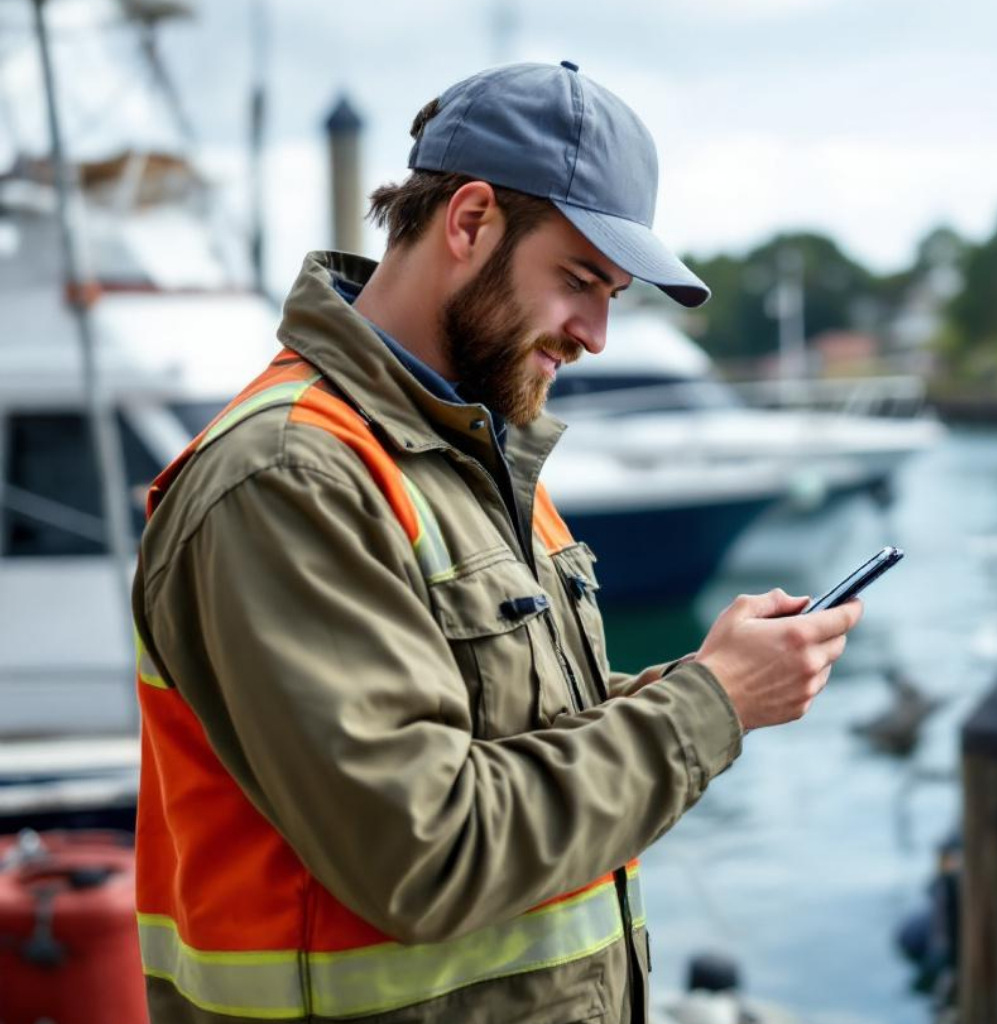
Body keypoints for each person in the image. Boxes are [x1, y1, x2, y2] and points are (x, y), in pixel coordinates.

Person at [131, 61, 863, 1024]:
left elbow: (517, 734)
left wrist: (706, 676)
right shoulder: (288, 478)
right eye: (580, 281)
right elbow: (424, 852)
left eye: (613, 295)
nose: (596, 334)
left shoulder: (473, 457)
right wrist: (711, 705)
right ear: (470, 221)